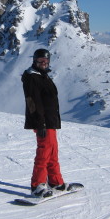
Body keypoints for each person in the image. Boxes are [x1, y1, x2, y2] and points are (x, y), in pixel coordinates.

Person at [21, 48, 73, 198]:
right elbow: (32, 101)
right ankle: (37, 185)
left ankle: (56, 182)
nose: (44, 64)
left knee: (52, 153)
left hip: (50, 121)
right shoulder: (32, 77)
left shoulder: (43, 76)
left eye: (46, 61)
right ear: (34, 61)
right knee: (44, 153)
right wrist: (39, 123)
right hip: (42, 122)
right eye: (40, 61)